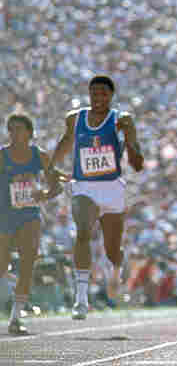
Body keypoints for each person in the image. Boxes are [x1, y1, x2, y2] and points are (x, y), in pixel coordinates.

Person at [51, 75, 145, 320]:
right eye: (94, 93)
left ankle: (115, 273)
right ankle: (81, 299)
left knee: (112, 249)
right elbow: (65, 142)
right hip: (84, 186)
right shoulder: (75, 118)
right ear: (89, 94)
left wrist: (131, 146)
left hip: (112, 188)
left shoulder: (122, 120)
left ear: (111, 96)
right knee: (82, 231)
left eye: (104, 93)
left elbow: (137, 163)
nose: (98, 98)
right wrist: (51, 167)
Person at [0, 113, 64, 334]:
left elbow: (57, 187)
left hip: (29, 215)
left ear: (29, 131)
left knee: (28, 263)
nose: (14, 133)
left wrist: (44, 194)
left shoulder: (40, 156)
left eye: (19, 128)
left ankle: (15, 319)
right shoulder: (2, 156)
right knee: (1, 265)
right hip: (4, 215)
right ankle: (12, 278)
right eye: (11, 129)